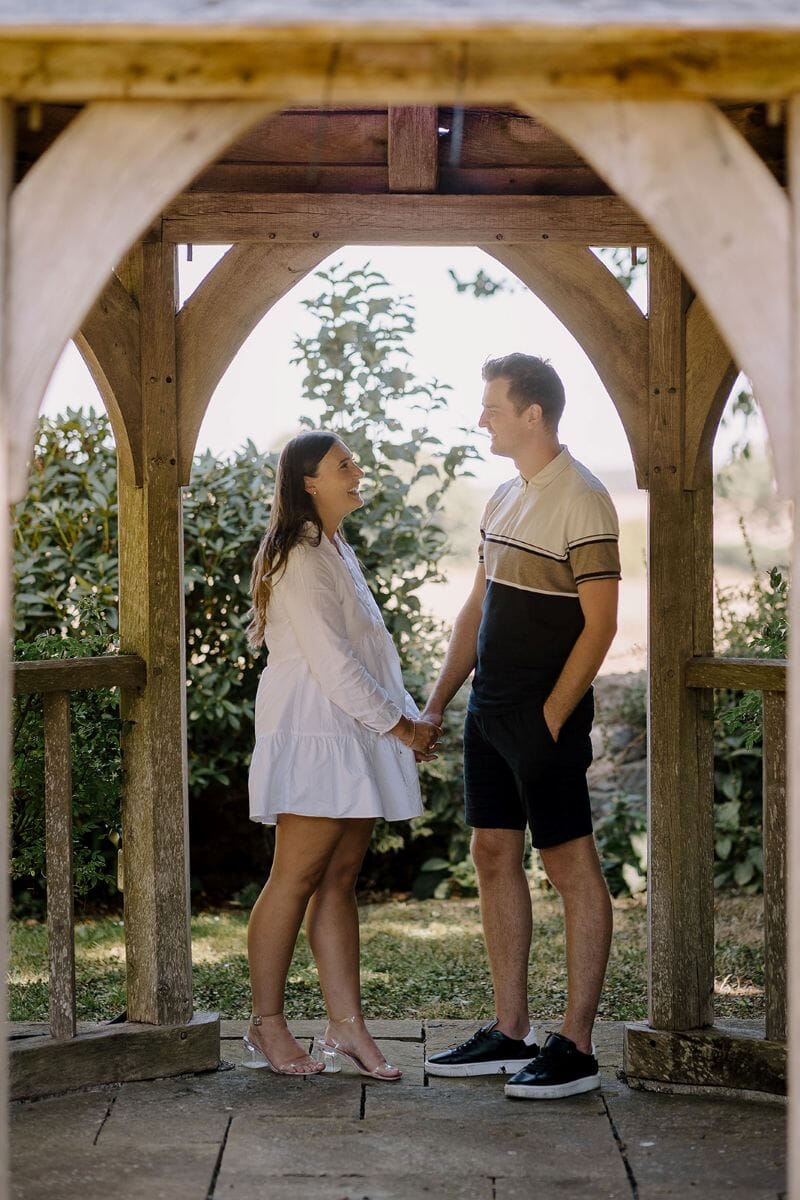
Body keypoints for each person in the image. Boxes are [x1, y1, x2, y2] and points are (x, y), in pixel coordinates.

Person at [423, 354, 620, 1100]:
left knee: (571, 869)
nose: (483, 418)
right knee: (492, 854)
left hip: (545, 720)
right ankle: (510, 1032)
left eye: (493, 407)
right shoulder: (503, 496)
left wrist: (551, 717)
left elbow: (599, 627)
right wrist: (442, 702)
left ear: (533, 414)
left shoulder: (584, 499)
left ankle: (575, 1044)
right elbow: (475, 612)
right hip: (487, 714)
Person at [244, 429, 441, 1079]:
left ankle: (346, 1028)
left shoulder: (335, 547)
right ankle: (267, 1025)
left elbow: (371, 653)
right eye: (343, 464)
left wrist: (402, 718)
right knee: (294, 877)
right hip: (314, 734)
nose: (358, 471)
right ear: (309, 483)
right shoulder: (298, 555)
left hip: (351, 732)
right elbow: (330, 663)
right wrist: (403, 728)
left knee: (337, 880)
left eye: (354, 462)